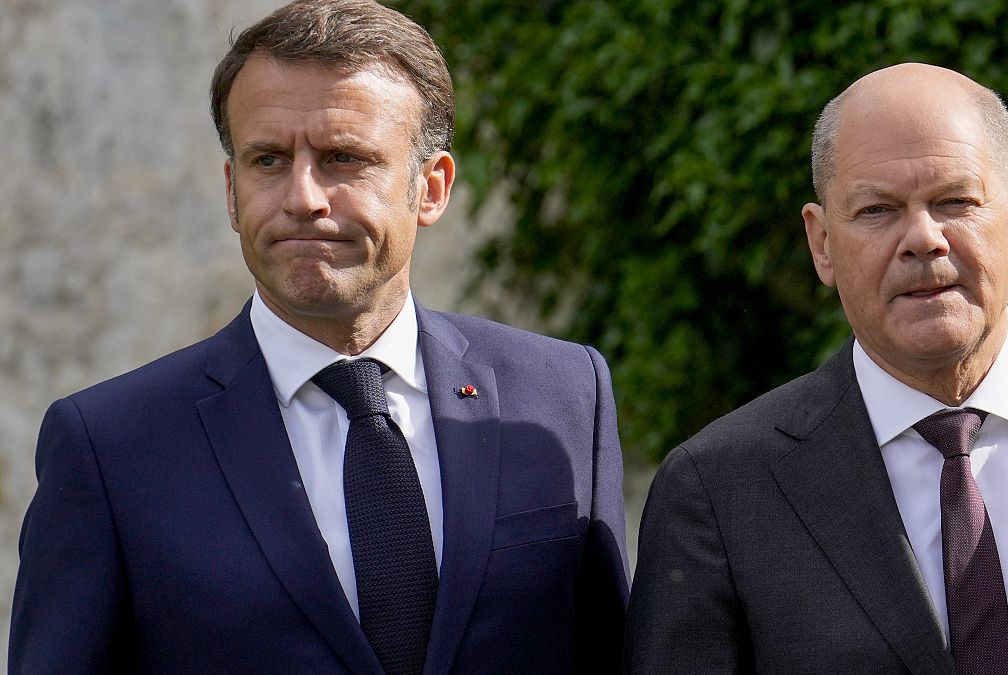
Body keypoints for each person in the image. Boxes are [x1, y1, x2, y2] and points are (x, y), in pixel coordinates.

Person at [10, 1, 628, 672]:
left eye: (343, 157)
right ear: (231, 190)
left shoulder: (562, 397)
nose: (303, 195)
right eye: (269, 160)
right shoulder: (111, 447)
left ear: (432, 187)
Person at [625, 62, 1008, 674]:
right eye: (877, 210)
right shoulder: (718, 489)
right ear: (822, 244)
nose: (923, 238)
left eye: (955, 201)